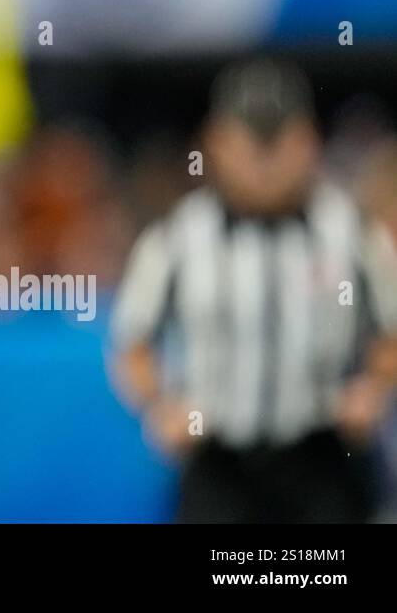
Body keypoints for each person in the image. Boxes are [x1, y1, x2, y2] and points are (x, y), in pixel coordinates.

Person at [111, 59, 397, 522]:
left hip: (324, 458)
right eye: (250, 142)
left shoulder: (353, 234)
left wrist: (374, 389)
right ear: (216, 142)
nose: (264, 162)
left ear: (309, 141)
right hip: (220, 460)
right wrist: (160, 406)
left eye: (278, 141)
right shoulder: (178, 238)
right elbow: (133, 343)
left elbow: (391, 331)